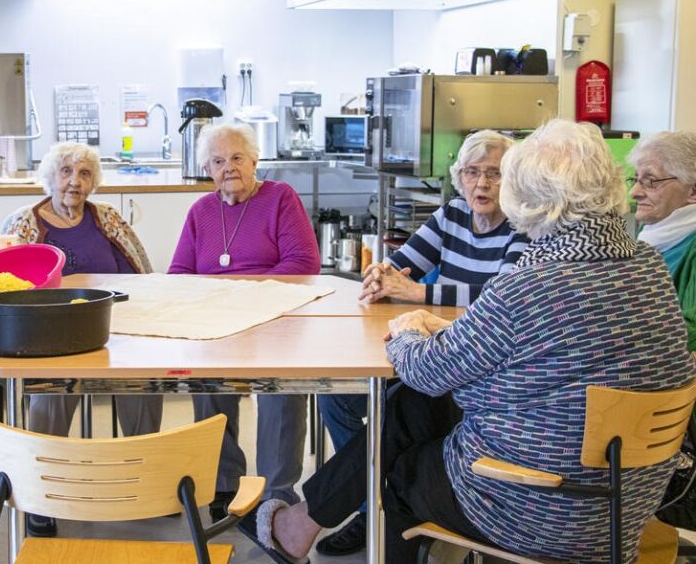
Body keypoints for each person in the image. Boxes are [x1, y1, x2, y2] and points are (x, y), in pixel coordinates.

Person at [238, 119, 696, 564]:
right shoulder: (645, 263)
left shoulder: (531, 283)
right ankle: (299, 526)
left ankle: (301, 526)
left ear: (530, 200)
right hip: (625, 504)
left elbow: (427, 371)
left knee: (395, 466)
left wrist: (407, 331)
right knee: (410, 409)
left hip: (544, 508)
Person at [314, 130, 528, 556]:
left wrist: (422, 294)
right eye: (471, 173)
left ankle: (371, 507)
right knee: (337, 399)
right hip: (431, 351)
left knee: (397, 407)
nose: (481, 185)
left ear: (514, 181)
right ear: (459, 177)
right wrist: (380, 275)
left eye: (494, 174)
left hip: (473, 367)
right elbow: (402, 264)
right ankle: (365, 503)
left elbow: (502, 297)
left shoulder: (522, 227)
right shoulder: (451, 214)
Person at [1, 141, 161, 537]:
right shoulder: (23, 224)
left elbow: (142, 272)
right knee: (50, 390)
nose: (75, 182)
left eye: (85, 174)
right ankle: (45, 493)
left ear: (94, 182)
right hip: (49, 332)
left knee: (143, 383)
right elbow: (8, 287)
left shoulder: (106, 218)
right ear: (51, 177)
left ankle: (145, 483)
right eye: (66, 172)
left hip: (113, 328)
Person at [168, 123, 320, 522]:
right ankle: (224, 482)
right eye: (218, 161)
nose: (229, 168)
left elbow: (303, 264)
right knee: (207, 382)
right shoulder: (201, 210)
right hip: (218, 322)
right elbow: (179, 273)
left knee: (281, 390)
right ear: (208, 169)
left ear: (255, 160)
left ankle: (276, 493)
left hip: (276, 316)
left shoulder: (279, 198)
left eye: (237, 158)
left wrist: (240, 292)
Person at [628, 131, 696, 351]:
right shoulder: (651, 236)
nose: (634, 192)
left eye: (651, 181)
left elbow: (690, 335)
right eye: (636, 179)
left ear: (693, 191)